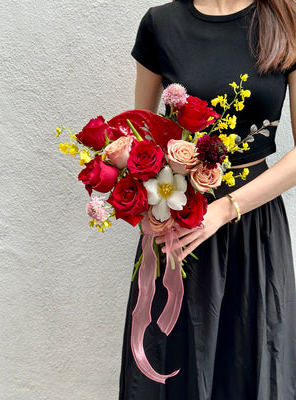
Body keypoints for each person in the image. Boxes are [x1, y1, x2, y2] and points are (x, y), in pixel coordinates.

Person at [119, 0, 296, 399]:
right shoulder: (161, 24)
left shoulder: (287, 20)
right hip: (178, 225)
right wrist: (138, 197)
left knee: (253, 363)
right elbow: (139, 133)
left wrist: (224, 209)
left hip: (254, 227)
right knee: (175, 366)